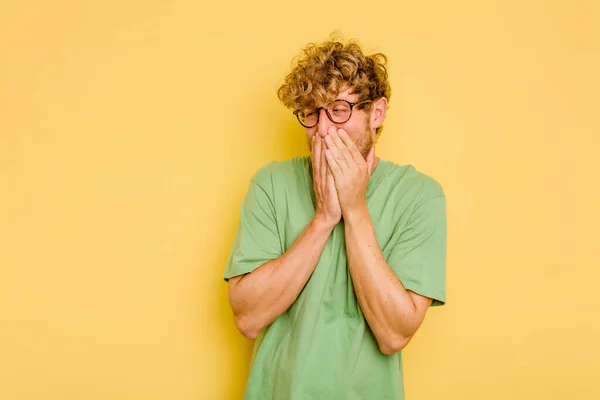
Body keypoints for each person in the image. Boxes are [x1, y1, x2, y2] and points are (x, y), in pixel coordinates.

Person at [223, 35, 447, 400]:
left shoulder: (420, 196)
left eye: (339, 109)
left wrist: (355, 210)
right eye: (311, 112)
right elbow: (247, 318)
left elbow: (394, 334)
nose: (323, 130)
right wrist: (324, 218)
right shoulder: (271, 185)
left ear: (376, 113)